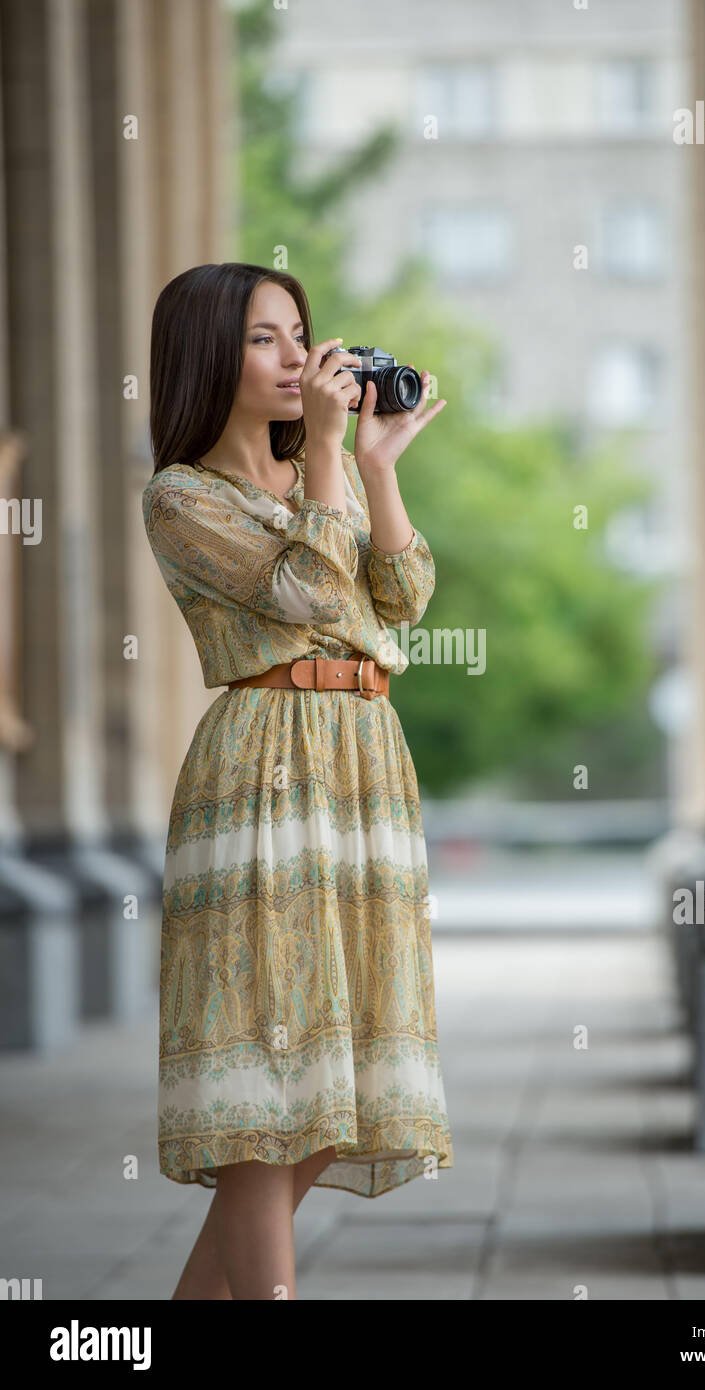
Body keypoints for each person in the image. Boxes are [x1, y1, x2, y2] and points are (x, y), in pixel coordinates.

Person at [141, 262, 453, 1299]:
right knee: (267, 1084)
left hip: (364, 765)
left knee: (344, 1078)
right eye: (265, 339)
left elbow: (401, 595)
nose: (297, 357)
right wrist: (324, 453)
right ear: (206, 359)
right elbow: (310, 585)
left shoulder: (317, 471)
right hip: (265, 767)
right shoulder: (181, 495)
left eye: (299, 333)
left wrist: (374, 465)